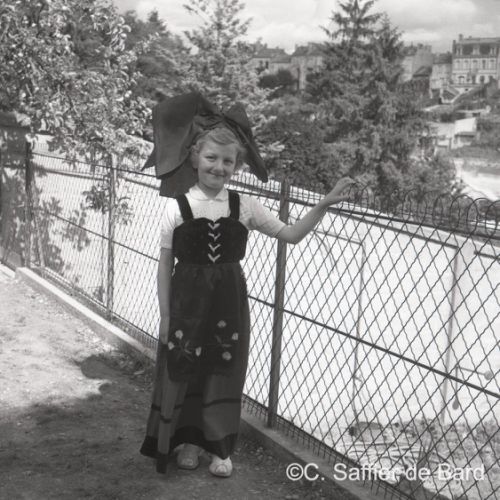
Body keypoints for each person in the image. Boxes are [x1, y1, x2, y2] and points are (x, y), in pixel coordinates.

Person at [140, 95, 355, 478]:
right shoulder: (176, 207)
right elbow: (163, 265)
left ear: (237, 165)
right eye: (211, 158)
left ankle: (219, 448)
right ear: (194, 157)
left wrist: (324, 204)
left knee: (224, 370)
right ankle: (187, 443)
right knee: (185, 368)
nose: (219, 167)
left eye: (228, 161)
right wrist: (165, 316)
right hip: (186, 307)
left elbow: (291, 234)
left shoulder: (245, 206)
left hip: (228, 306)